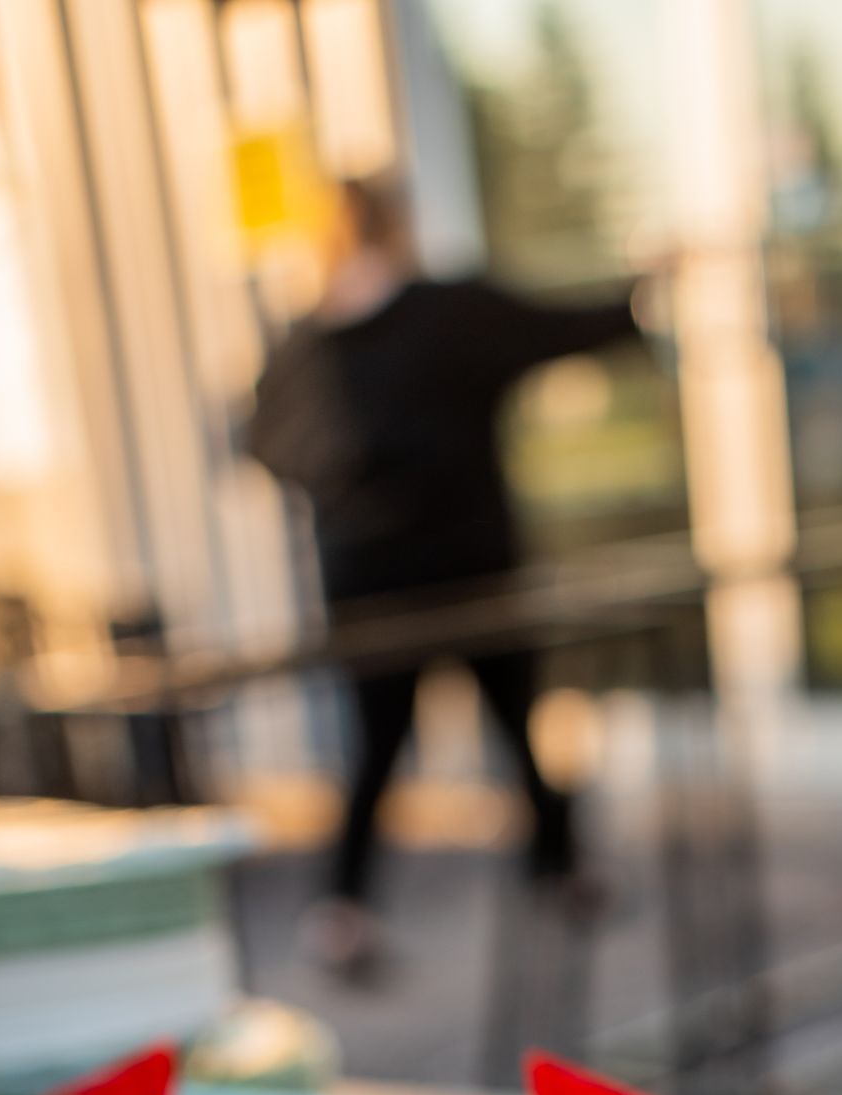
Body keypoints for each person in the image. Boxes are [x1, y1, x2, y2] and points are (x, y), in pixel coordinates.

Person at [247, 175, 642, 974]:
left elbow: (264, 443)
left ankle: (379, 903)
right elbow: (566, 328)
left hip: (418, 577)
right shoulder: (346, 337)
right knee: (450, 736)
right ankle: (376, 900)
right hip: (430, 578)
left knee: (451, 737)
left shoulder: (360, 329)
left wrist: (349, 486)